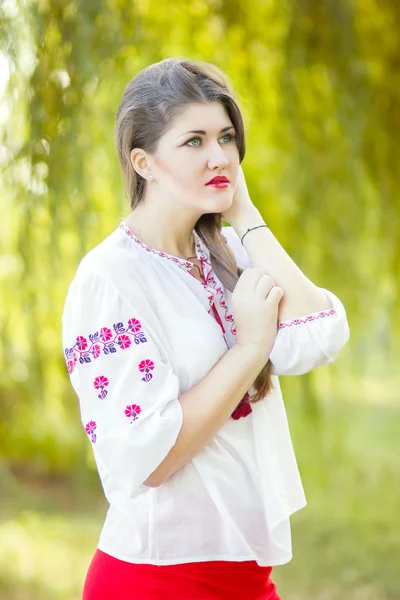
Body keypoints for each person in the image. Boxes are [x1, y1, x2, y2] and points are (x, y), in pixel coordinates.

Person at [62, 58, 350, 600]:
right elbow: (149, 457)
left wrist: (247, 216)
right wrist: (247, 349)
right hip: (158, 578)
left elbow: (322, 334)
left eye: (226, 137)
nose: (220, 157)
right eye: (193, 141)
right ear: (143, 162)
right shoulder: (110, 279)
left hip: (246, 575)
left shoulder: (230, 254)